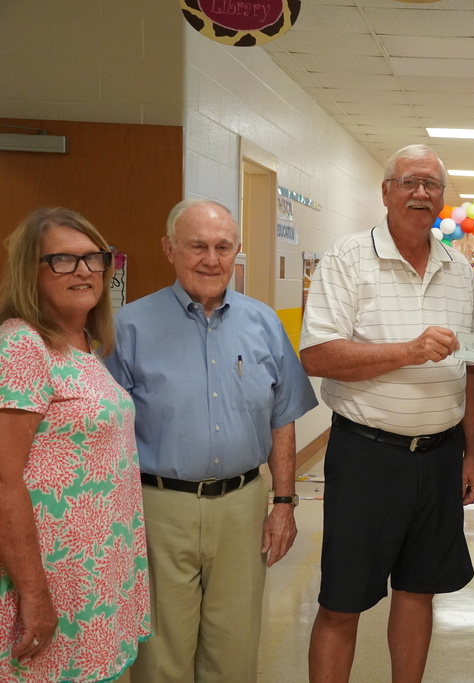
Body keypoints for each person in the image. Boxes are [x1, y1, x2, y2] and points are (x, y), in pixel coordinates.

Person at [105, 199, 317, 683]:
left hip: (243, 507)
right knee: (161, 655)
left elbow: (282, 419)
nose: (211, 259)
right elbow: (107, 429)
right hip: (159, 508)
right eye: (196, 246)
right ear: (169, 249)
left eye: (223, 247)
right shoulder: (128, 326)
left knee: (234, 650)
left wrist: (284, 503)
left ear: (236, 251)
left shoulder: (264, 323)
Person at [300, 144, 474, 683]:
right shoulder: (347, 257)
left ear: (442, 198)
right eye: (409, 182)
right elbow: (317, 355)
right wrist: (408, 350)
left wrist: (472, 452)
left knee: (419, 590)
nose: (421, 193)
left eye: (431, 184)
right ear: (386, 192)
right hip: (367, 455)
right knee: (342, 600)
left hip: (441, 456)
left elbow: (471, 367)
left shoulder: (460, 270)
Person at [0, 208, 150, 681]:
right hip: (50, 576)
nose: (84, 270)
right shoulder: (22, 345)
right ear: (30, 271)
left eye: (94, 258)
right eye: (62, 260)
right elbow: (3, 481)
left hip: (95, 572)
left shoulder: (83, 343)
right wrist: (34, 595)